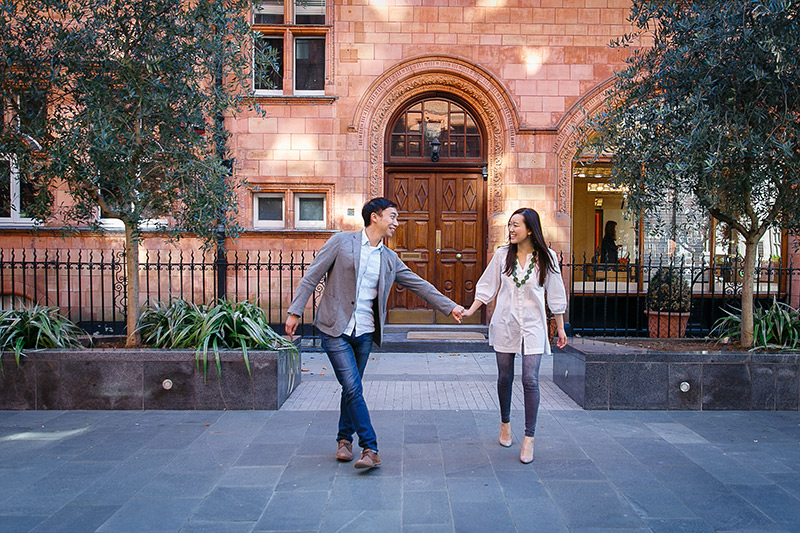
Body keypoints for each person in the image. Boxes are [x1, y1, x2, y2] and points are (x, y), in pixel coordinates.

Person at [285, 197, 465, 470]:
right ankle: (370, 448)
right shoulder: (341, 242)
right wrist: (295, 311)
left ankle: (344, 440)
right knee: (353, 386)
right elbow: (312, 275)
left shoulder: (389, 258)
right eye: (392, 216)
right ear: (375, 217)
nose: (396, 223)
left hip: (366, 332)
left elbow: (419, 284)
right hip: (335, 328)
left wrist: (449, 306)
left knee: (351, 387)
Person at [462, 208, 567, 464]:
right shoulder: (502, 255)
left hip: (533, 325)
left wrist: (561, 328)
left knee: (530, 379)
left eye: (515, 225)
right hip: (505, 323)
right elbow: (487, 286)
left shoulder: (547, 257)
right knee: (505, 377)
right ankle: (505, 423)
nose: (510, 229)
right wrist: (470, 311)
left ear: (530, 229)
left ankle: (529, 437)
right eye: (509, 225)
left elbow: (555, 293)